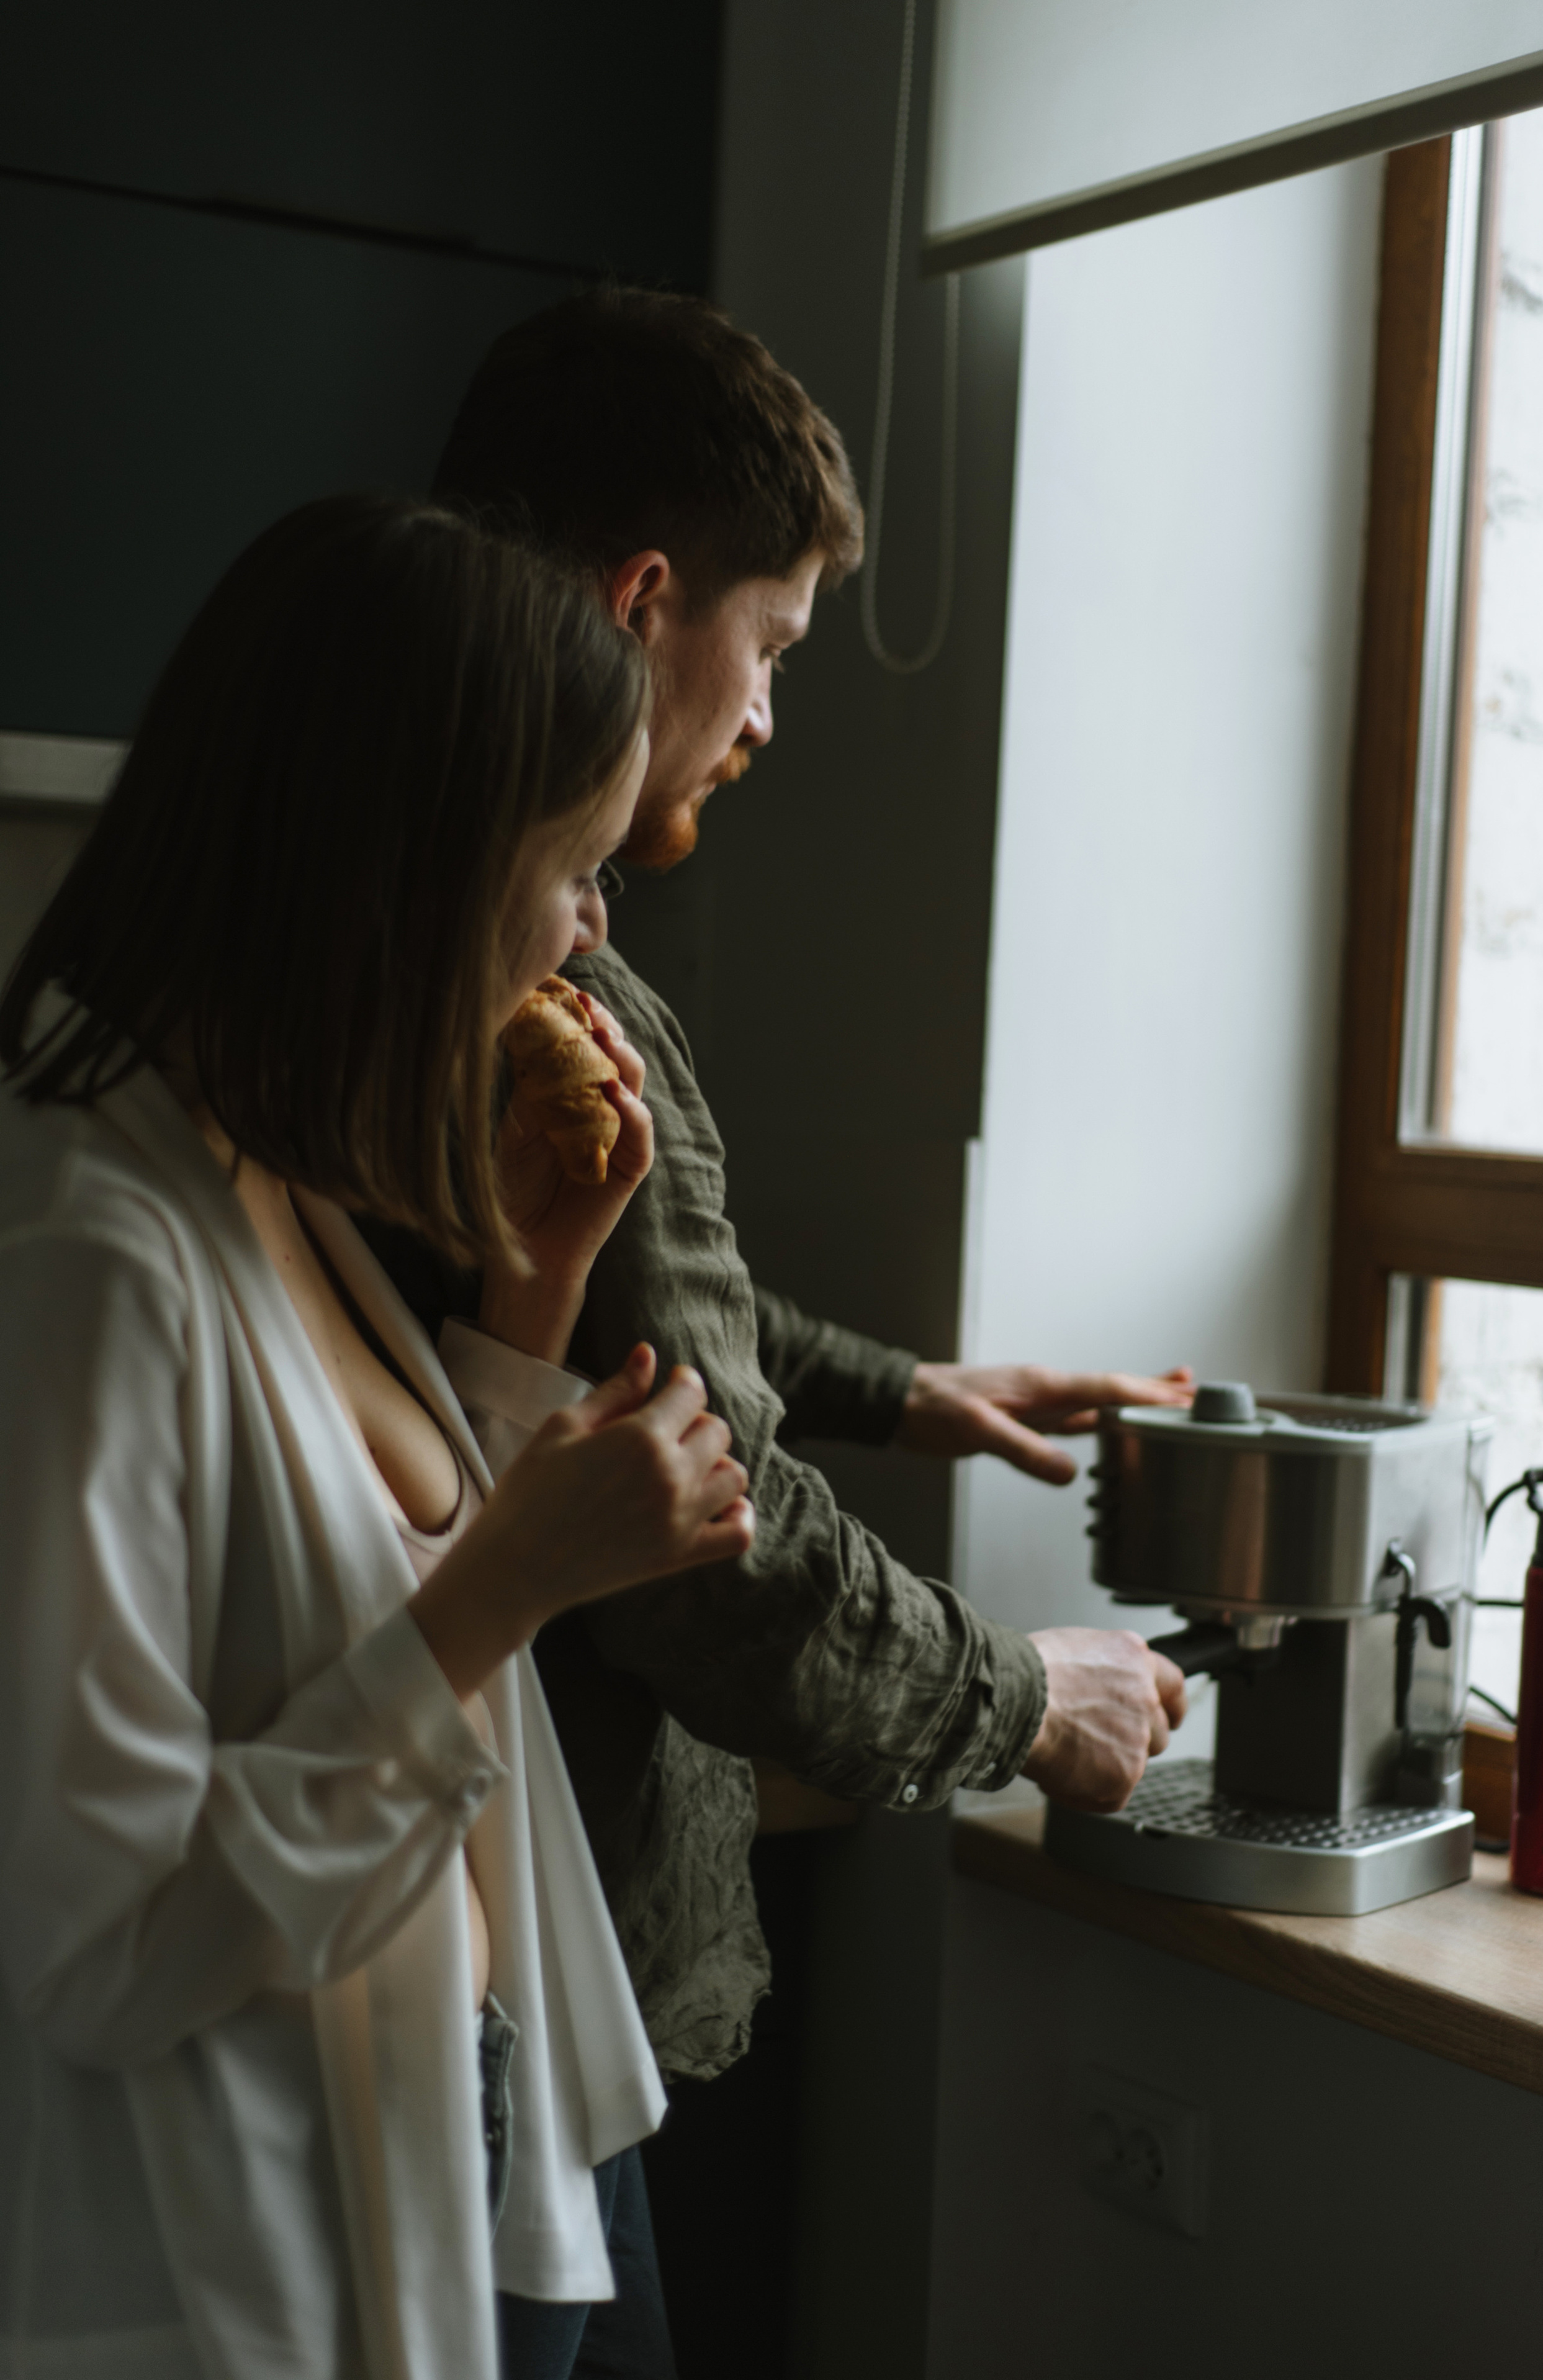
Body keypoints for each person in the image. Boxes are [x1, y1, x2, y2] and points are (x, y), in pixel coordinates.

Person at [396, 289, 1192, 2363]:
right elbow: (705, 1538)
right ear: (644, 602)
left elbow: (643, 1322)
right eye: (769, 646)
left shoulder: (411, 930)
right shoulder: (535, 974)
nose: (764, 717)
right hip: (520, 1962)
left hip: (490, 1945)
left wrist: (910, 1389)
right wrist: (1031, 1694)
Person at [0, 492, 755, 2380]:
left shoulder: (271, 1169)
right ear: (409, 874)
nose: (590, 932)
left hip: (456, 2123)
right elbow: (98, 1940)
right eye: (574, 869)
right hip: (251, 2241)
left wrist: (531, 1304)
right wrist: (519, 1579)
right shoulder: (90, 1256)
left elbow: (338, 1613)